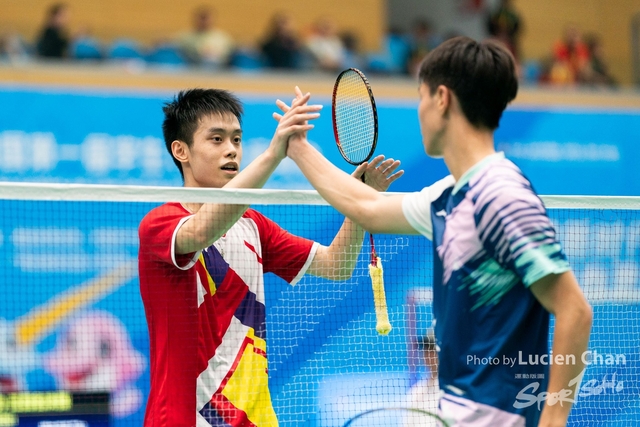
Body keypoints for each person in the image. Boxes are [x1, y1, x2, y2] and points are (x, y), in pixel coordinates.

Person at [285, 37, 593, 427]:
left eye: (421, 96)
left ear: (442, 98)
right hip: (456, 411)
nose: (419, 110)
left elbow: (574, 311)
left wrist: (553, 419)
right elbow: (369, 208)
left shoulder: (501, 195)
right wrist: (298, 148)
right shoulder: (449, 195)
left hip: (497, 416)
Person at [138, 88, 402, 426]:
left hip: (254, 418)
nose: (231, 149)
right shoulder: (160, 225)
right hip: (184, 418)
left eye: (236, 139)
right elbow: (202, 231)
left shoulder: (253, 226)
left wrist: (359, 204)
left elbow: (336, 264)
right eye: (216, 139)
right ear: (181, 150)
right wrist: (274, 154)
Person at [403, 332, 440, 427]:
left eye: (433, 349)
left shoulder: (455, 392)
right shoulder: (416, 392)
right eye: (426, 349)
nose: (428, 354)